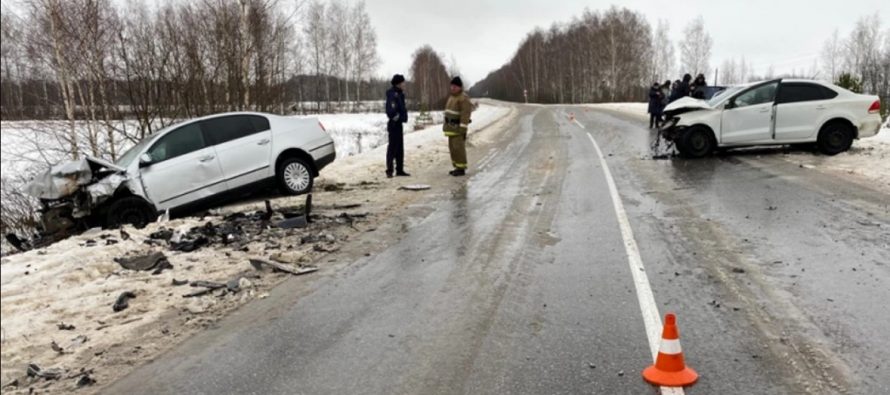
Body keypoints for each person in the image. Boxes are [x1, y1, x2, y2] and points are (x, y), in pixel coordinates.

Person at [443, 76, 472, 176]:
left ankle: (461, 168)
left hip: (458, 129)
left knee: (459, 149)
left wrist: (463, 129)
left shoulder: (463, 98)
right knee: (453, 149)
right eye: (452, 86)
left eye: (455, 86)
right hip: (450, 129)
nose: (453, 88)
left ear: (459, 87)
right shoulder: (452, 97)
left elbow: (465, 115)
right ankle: (456, 167)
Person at [385, 74, 409, 178]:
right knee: (393, 147)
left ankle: (400, 169)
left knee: (400, 148)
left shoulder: (400, 94)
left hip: (398, 124)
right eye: (403, 82)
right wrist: (399, 117)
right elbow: (390, 111)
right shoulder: (393, 95)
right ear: (398, 84)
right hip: (394, 124)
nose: (404, 84)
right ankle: (390, 170)